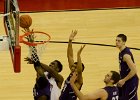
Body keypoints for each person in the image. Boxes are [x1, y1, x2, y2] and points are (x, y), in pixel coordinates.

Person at [24, 33, 64, 100]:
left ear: (58, 69)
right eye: (50, 63)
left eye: (53, 64)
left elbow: (50, 71)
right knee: (41, 78)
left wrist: (36, 61)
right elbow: (37, 66)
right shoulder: (44, 74)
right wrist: (32, 45)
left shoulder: (59, 79)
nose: (50, 64)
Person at [59, 30, 85, 100]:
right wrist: (70, 41)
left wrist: (78, 55)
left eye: (75, 67)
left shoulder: (79, 80)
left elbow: (79, 70)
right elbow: (70, 56)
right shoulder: (72, 73)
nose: (73, 68)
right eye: (73, 66)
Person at [116, 34, 139, 100]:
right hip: (124, 80)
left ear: (124, 42)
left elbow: (134, 71)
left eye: (119, 41)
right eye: (116, 40)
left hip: (131, 81)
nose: (117, 42)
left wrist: (123, 80)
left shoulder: (126, 55)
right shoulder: (121, 52)